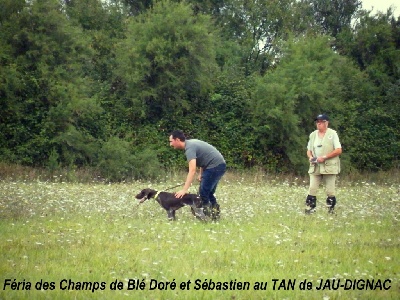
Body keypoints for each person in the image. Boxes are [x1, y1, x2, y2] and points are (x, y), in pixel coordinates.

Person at [169, 130, 226, 220]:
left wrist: (184, 190)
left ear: (177, 140)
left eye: (171, 141)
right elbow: (204, 158)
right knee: (209, 193)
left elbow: (192, 170)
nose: (170, 144)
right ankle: (215, 216)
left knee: (203, 194)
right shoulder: (191, 144)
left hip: (215, 166)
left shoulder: (189, 148)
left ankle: (208, 217)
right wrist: (201, 173)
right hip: (218, 165)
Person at [305, 114, 342, 213]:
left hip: (329, 166)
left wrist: (324, 157)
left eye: (321, 122)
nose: (319, 124)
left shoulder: (333, 134)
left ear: (326, 123)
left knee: (330, 190)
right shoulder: (313, 134)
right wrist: (311, 157)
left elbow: (338, 150)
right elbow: (308, 150)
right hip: (315, 166)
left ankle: (331, 210)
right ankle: (310, 209)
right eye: (317, 122)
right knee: (312, 188)